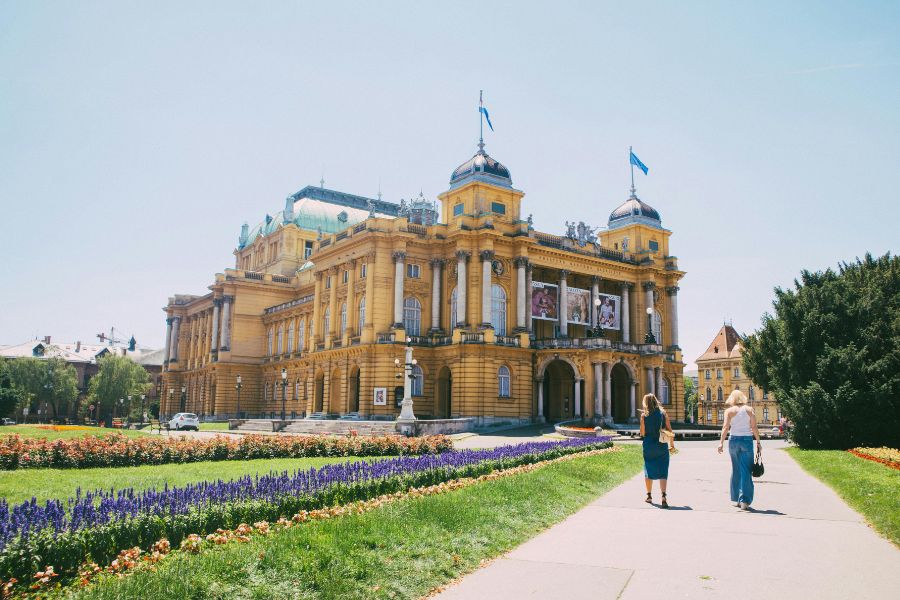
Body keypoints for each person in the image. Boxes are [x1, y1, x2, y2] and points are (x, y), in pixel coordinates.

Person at [717, 389, 762, 510]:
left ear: (732, 399)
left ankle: (737, 499)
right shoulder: (749, 410)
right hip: (746, 440)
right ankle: (744, 501)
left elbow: (725, 427)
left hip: (733, 441)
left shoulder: (729, 411)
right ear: (743, 398)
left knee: (736, 469)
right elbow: (754, 427)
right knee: (746, 470)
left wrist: (721, 443)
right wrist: (758, 442)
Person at [640, 393, 676, 508]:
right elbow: (670, 431)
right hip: (661, 446)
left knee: (648, 470)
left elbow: (642, 433)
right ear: (656, 401)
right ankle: (663, 496)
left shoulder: (644, 415)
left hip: (648, 446)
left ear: (646, 403)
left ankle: (649, 496)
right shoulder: (663, 414)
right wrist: (672, 445)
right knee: (663, 471)